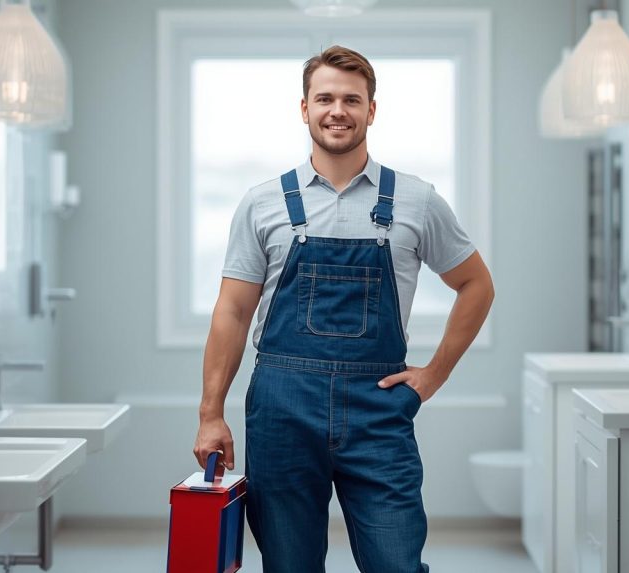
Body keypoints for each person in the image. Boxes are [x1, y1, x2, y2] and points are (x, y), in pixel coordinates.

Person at [193, 45, 494, 573]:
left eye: (352, 99)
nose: (338, 110)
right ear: (304, 108)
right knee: (289, 565)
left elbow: (476, 285)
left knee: (397, 564)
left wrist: (432, 376)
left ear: (371, 110)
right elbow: (232, 313)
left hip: (378, 409)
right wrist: (210, 413)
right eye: (325, 98)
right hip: (282, 406)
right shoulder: (262, 203)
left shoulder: (417, 201)